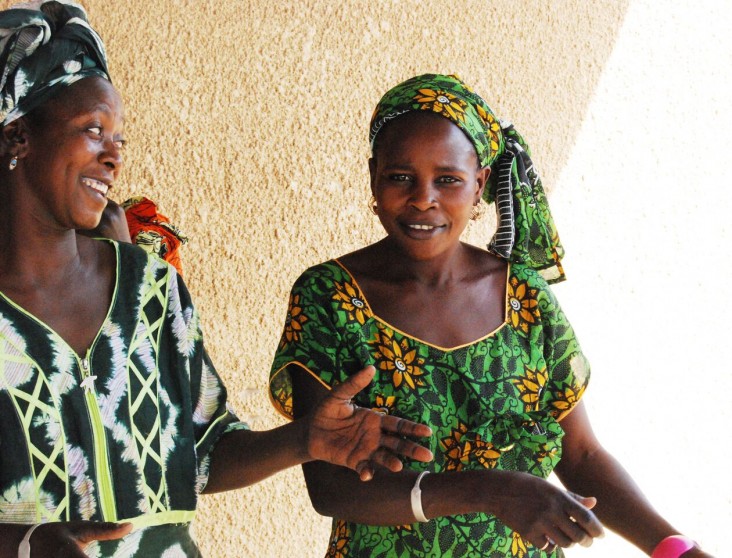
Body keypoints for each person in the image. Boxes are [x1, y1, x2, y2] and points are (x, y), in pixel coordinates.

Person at [0, 3, 432, 557]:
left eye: (120, 140)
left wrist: (306, 439)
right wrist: (23, 544)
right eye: (92, 131)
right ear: (17, 137)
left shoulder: (150, 290)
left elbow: (200, 453)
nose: (113, 158)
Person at [269, 74, 713, 557]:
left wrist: (675, 549)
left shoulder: (523, 297)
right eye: (401, 177)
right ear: (373, 175)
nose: (423, 199)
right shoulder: (330, 297)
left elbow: (581, 454)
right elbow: (331, 487)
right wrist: (490, 490)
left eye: (448, 180)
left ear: (479, 184)